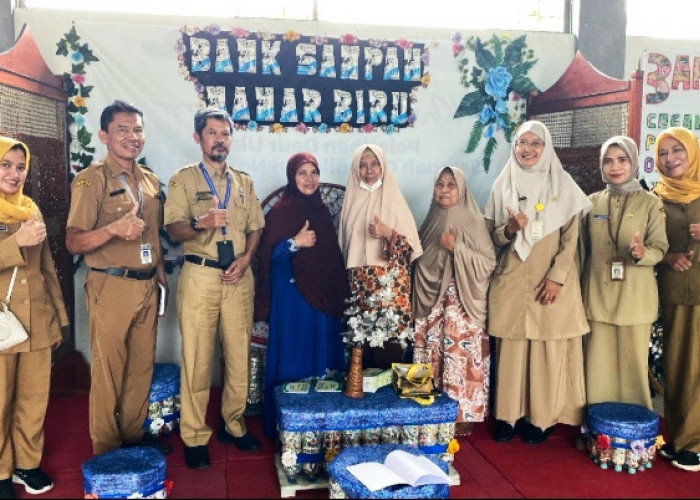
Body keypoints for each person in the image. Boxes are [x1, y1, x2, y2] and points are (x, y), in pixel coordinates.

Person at [66, 100, 171, 457]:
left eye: (137, 129)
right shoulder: (91, 180)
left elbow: (153, 234)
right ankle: (107, 450)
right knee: (109, 371)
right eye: (123, 130)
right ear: (104, 136)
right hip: (109, 284)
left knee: (141, 368)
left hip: (146, 285)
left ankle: (132, 439)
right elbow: (73, 241)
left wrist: (159, 274)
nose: (132, 137)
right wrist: (113, 229)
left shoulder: (150, 180)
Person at [164, 108, 265, 470]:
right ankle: (193, 435)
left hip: (238, 275)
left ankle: (234, 426)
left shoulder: (244, 182)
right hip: (201, 275)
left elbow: (255, 226)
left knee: (238, 356)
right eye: (212, 133)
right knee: (197, 358)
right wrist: (200, 222)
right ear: (198, 138)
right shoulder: (184, 179)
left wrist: (248, 257)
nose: (219, 139)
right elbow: (173, 230)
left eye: (225, 134)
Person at [485, 120, 592, 445]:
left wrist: (557, 278)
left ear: (546, 148)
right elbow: (491, 238)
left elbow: (571, 240)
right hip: (513, 281)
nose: (527, 149)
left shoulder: (564, 185)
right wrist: (509, 229)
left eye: (535, 143)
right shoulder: (502, 184)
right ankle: (506, 416)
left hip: (551, 282)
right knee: (512, 352)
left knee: (546, 351)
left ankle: (541, 420)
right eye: (521, 143)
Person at [254, 152, 349, 438]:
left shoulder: (320, 210)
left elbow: (330, 257)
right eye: (302, 173)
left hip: (323, 297)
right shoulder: (282, 211)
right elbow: (266, 255)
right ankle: (289, 425)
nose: (309, 179)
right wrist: (294, 243)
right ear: (291, 178)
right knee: (295, 351)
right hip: (292, 296)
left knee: (321, 349)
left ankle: (324, 424)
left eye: (314, 172)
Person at [0, 138, 68, 499]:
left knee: (33, 399)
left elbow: (46, 269)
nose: (14, 173)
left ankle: (26, 464)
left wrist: (57, 317)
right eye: (5, 165)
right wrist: (15, 242)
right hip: (2, 324)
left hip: (36, 320)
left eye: (19, 166)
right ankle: (0, 471)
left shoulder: (30, 208)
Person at [580, 136, 668, 409]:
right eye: (608, 161)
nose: (615, 167)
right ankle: (597, 430)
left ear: (633, 163)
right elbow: (581, 249)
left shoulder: (650, 203)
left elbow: (661, 247)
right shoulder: (591, 203)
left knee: (632, 370)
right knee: (597, 368)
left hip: (634, 299)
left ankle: (634, 437)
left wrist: (643, 254)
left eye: (622, 160)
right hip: (596, 296)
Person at [412, 166, 496, 437]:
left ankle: (462, 413)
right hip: (431, 301)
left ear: (462, 190)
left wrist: (456, 248)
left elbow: (488, 262)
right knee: (428, 348)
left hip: (461, 301)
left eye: (451, 185)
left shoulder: (473, 220)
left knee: (460, 355)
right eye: (440, 184)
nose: (445, 190)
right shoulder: (432, 217)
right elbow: (421, 257)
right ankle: (423, 407)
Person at [338, 144, 422, 368]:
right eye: (363, 165)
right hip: (359, 286)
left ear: (383, 166)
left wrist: (388, 233)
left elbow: (411, 249)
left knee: (390, 348)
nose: (369, 170)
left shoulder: (394, 200)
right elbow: (344, 246)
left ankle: (389, 401)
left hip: (390, 287)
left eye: (375, 163)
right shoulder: (351, 200)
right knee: (362, 349)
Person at [652, 126, 700, 472]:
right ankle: (680, 438)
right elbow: (650, 244)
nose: (670, 160)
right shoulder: (655, 196)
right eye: (664, 153)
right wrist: (667, 258)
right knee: (679, 368)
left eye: (677, 151)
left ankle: (693, 444)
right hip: (674, 293)